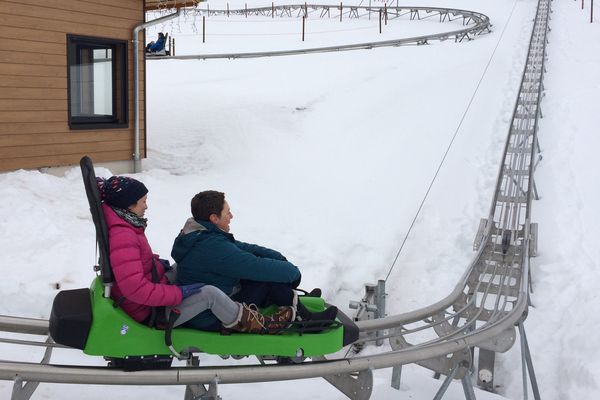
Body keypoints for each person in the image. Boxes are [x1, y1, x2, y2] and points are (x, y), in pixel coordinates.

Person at [98, 176, 294, 334]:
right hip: (151, 312)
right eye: (143, 201)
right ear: (129, 205)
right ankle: (256, 324)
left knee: (186, 268)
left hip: (154, 295)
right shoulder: (123, 235)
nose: (146, 206)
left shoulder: (126, 225)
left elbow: (134, 265)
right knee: (209, 293)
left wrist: (158, 266)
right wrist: (179, 293)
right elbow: (135, 288)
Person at [171, 190, 338, 332]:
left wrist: (279, 258)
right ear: (214, 218)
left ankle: (295, 302)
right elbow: (256, 266)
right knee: (266, 279)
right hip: (211, 316)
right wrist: (292, 273)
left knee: (267, 276)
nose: (231, 216)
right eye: (227, 212)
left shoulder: (201, 235)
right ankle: (305, 320)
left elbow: (243, 248)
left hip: (217, 298)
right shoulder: (211, 247)